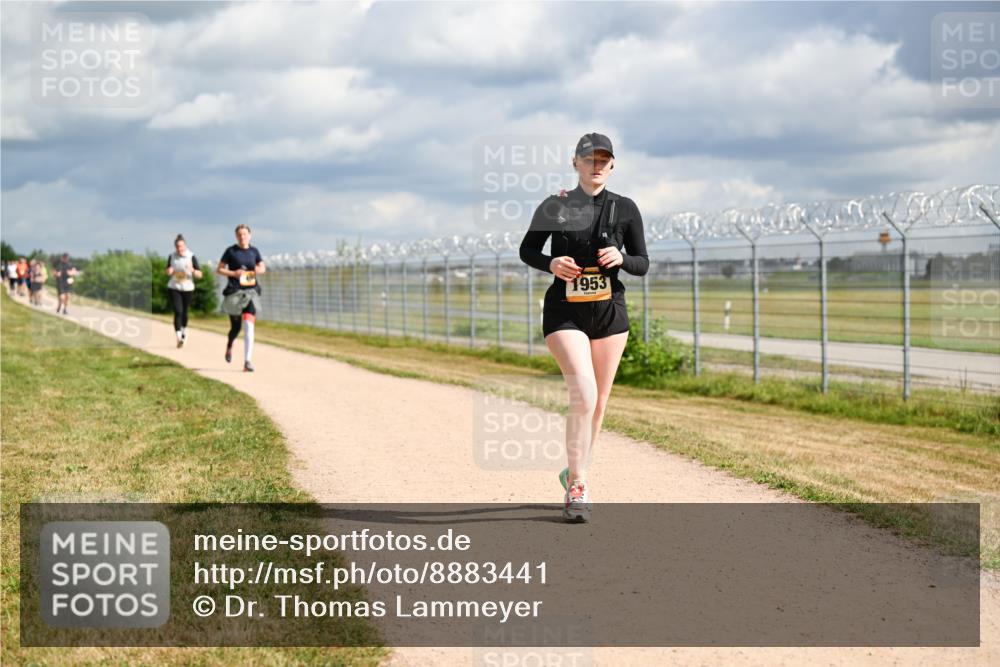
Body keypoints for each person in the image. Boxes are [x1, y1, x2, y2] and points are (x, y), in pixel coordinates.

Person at [519, 132, 649, 523]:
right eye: (589, 159)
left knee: (599, 404)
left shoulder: (625, 209)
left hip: (610, 313)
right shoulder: (554, 206)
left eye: (604, 160)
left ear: (612, 165)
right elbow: (528, 249)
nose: (597, 166)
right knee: (584, 395)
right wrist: (551, 264)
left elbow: (643, 262)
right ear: (574, 163)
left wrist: (621, 258)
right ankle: (578, 486)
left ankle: (574, 470)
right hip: (565, 313)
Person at [217, 224, 265, 372]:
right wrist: (234, 273)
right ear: (236, 236)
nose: (242, 237)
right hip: (235, 293)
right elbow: (219, 269)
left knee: (249, 326)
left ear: (249, 235)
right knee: (236, 328)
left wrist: (256, 270)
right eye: (239, 234)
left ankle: (247, 361)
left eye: (245, 234)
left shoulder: (254, 251)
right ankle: (230, 344)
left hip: (250, 293)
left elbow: (263, 268)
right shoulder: (231, 251)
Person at [166, 234, 203, 348]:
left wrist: (192, 270)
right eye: (177, 246)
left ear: (185, 245)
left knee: (185, 312)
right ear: (175, 246)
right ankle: (178, 337)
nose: (179, 249)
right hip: (174, 287)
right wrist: (169, 271)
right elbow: (167, 271)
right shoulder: (172, 256)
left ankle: (183, 332)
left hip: (188, 288)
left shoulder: (191, 256)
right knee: (178, 311)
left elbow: (199, 274)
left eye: (181, 246)